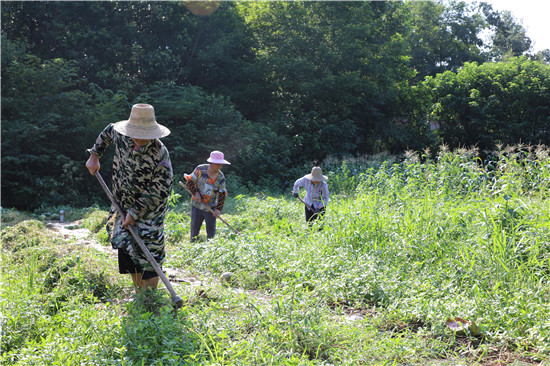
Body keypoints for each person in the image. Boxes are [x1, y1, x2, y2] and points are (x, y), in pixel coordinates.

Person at [85, 104, 173, 291]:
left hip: (149, 212)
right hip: (121, 203)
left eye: (144, 134)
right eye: (136, 132)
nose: (139, 138)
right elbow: (108, 131)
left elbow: (159, 191)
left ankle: (149, 297)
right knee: (126, 246)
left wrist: (135, 213)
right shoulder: (121, 135)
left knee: (149, 252)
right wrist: (94, 155)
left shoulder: (160, 153)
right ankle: (138, 292)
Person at [185, 151, 230, 242]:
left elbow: (222, 194)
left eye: (221, 164)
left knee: (211, 232)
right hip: (197, 205)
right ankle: (192, 246)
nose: (220, 167)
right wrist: (196, 193)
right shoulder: (200, 169)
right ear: (212, 163)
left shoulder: (220, 177)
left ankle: (211, 248)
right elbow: (190, 181)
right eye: (218, 164)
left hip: (211, 207)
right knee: (194, 228)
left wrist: (218, 209)